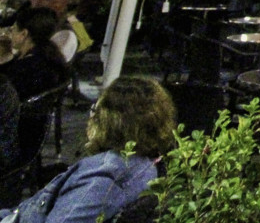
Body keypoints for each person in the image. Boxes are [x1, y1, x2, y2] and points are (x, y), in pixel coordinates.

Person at [0, 76, 177, 223]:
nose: (90, 117)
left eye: (94, 110)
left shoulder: (106, 175)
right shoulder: (149, 164)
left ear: (109, 123)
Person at [0, 6, 69, 100]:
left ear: (23, 34)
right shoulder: (48, 55)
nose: (10, 33)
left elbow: (5, 91)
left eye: (13, 29)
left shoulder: (26, 67)